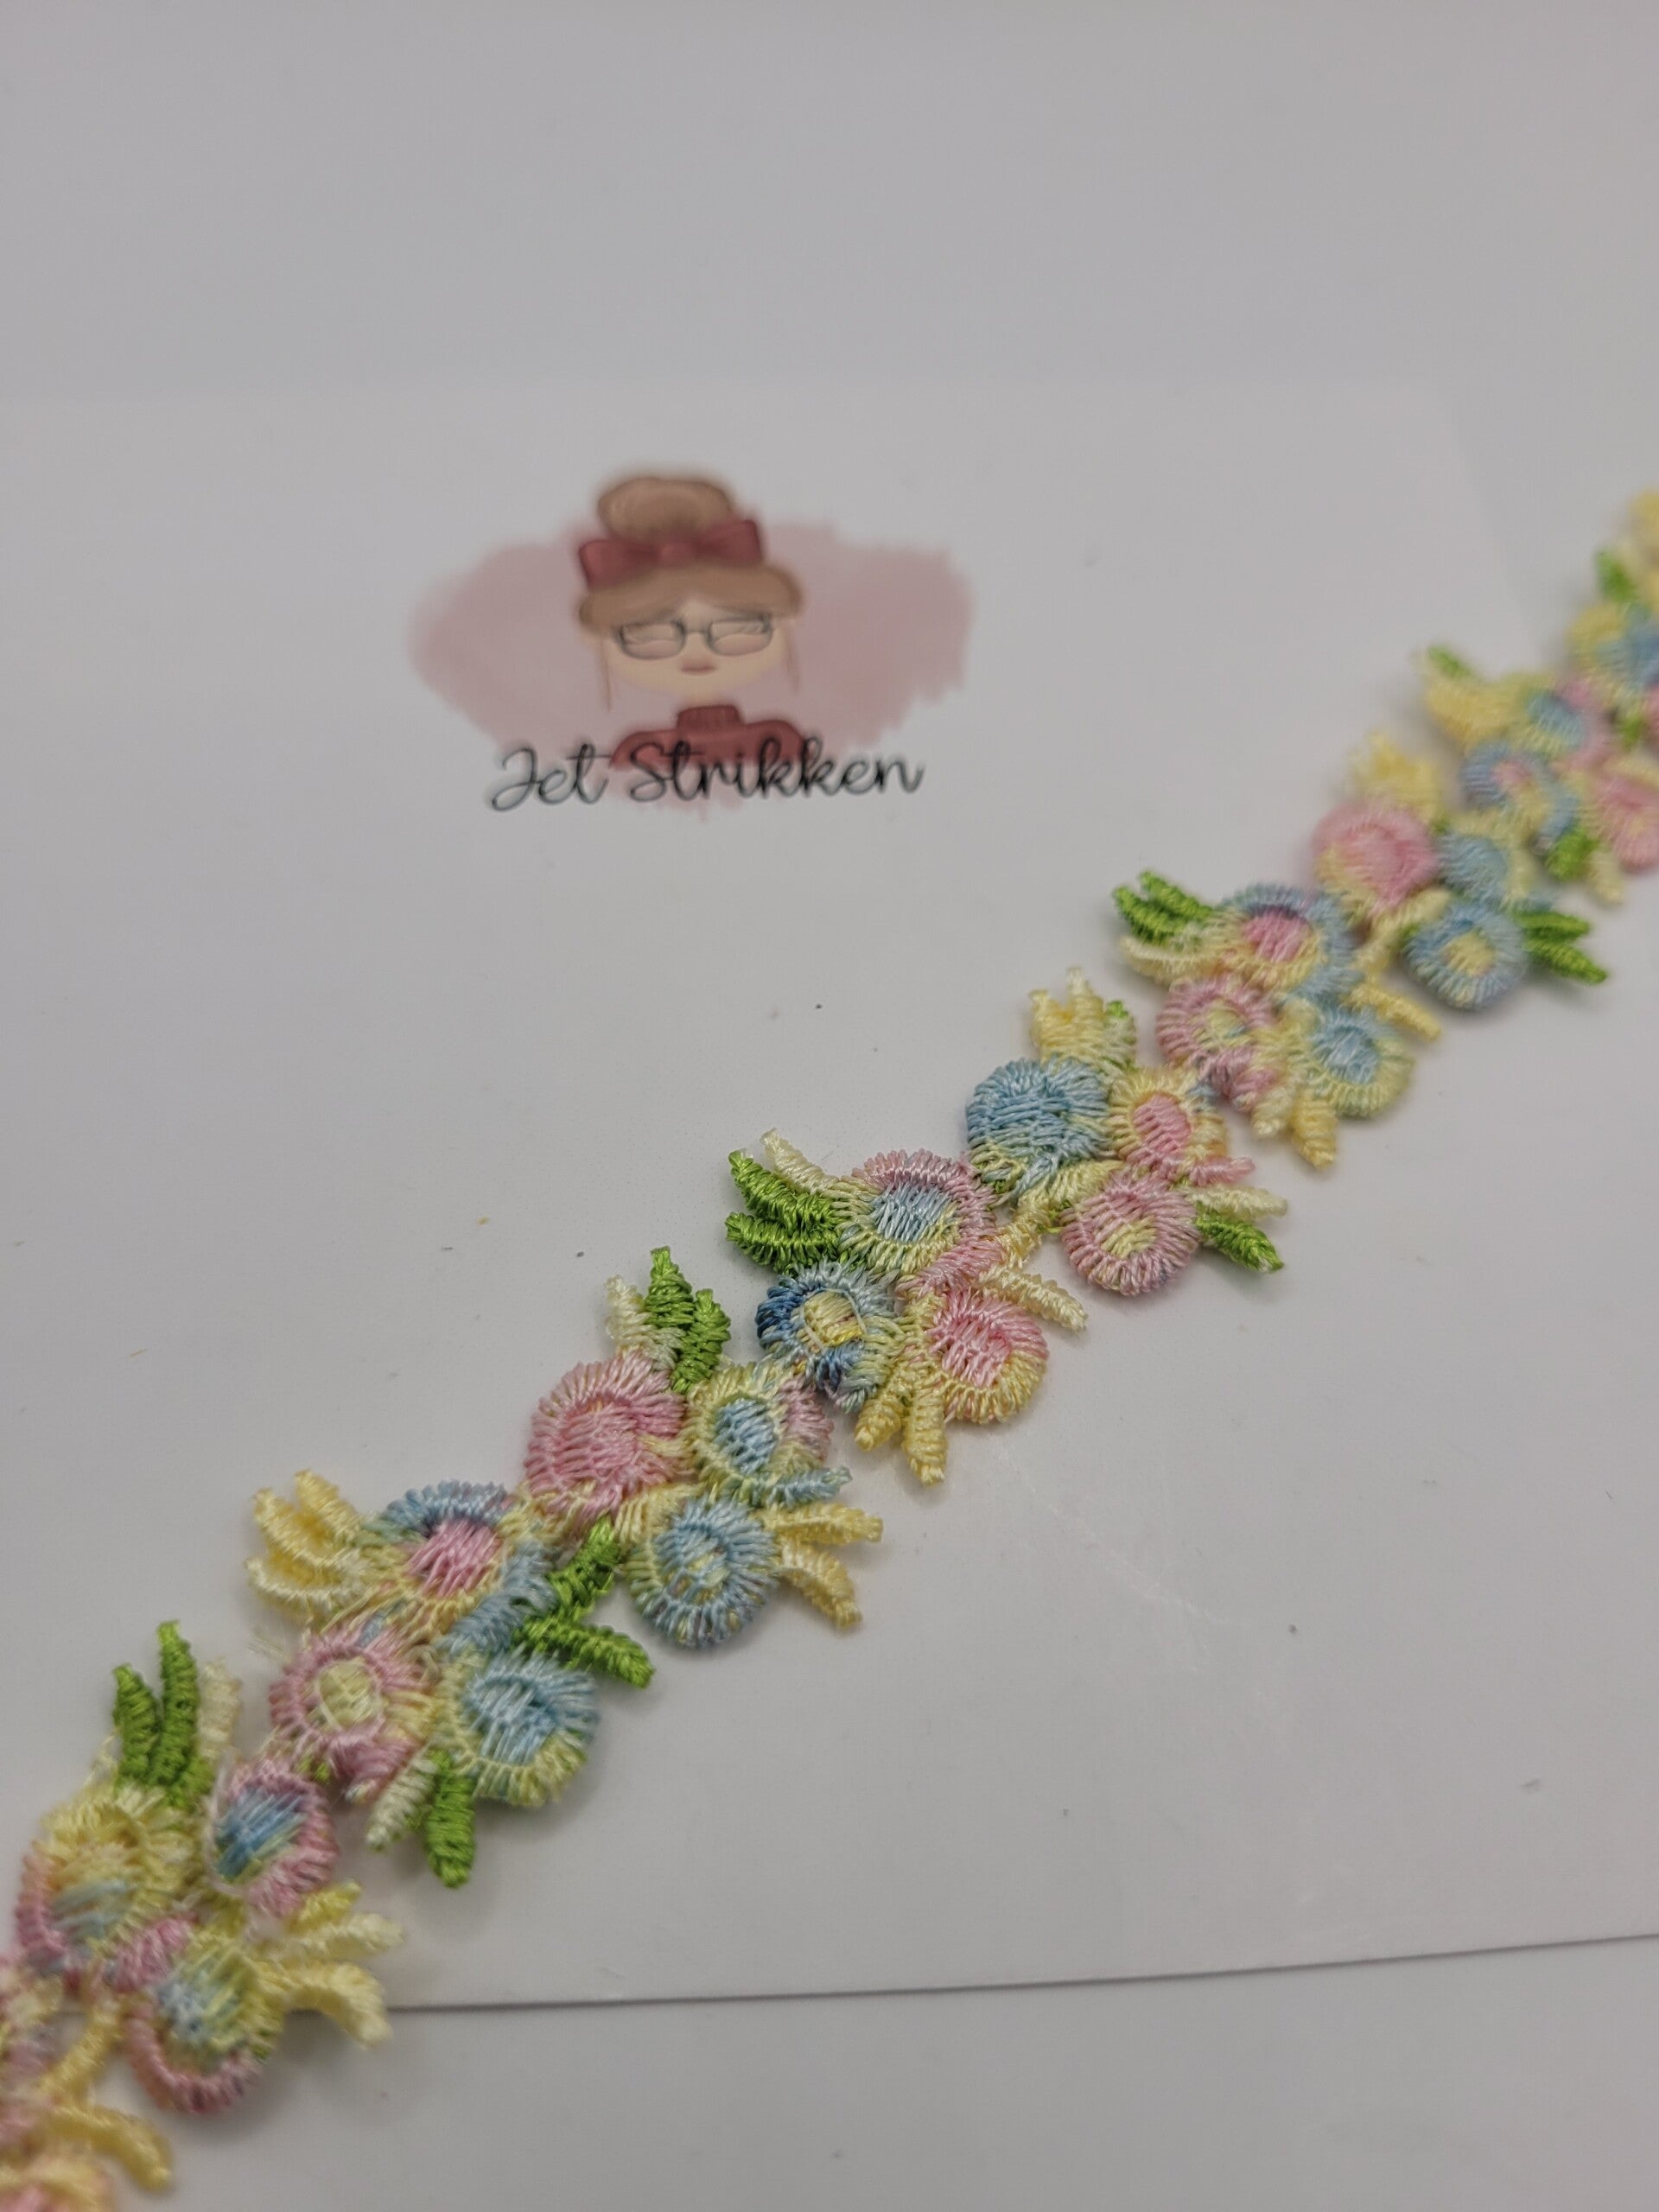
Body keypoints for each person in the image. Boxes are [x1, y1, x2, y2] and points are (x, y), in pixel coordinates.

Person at [575, 474, 809, 777]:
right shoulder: (641, 752)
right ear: (597, 640)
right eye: (652, 635)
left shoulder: (781, 742)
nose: (695, 650)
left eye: (735, 627)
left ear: (787, 623)